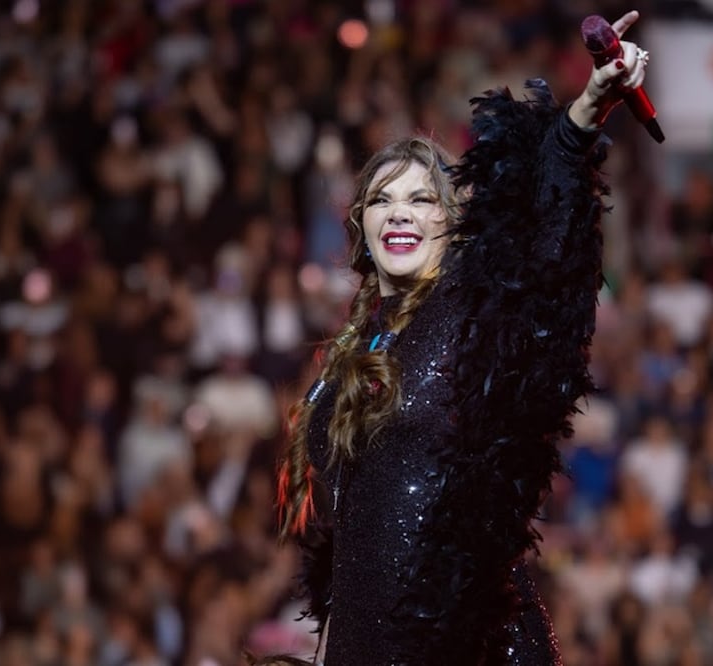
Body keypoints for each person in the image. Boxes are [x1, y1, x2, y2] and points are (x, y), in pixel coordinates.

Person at [269, 11, 650, 665]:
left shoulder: (472, 311)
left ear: (450, 224)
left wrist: (582, 115)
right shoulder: (346, 361)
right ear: (359, 224)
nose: (400, 214)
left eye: (421, 200)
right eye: (383, 200)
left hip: (468, 646)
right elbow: (344, 550)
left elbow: (550, 252)